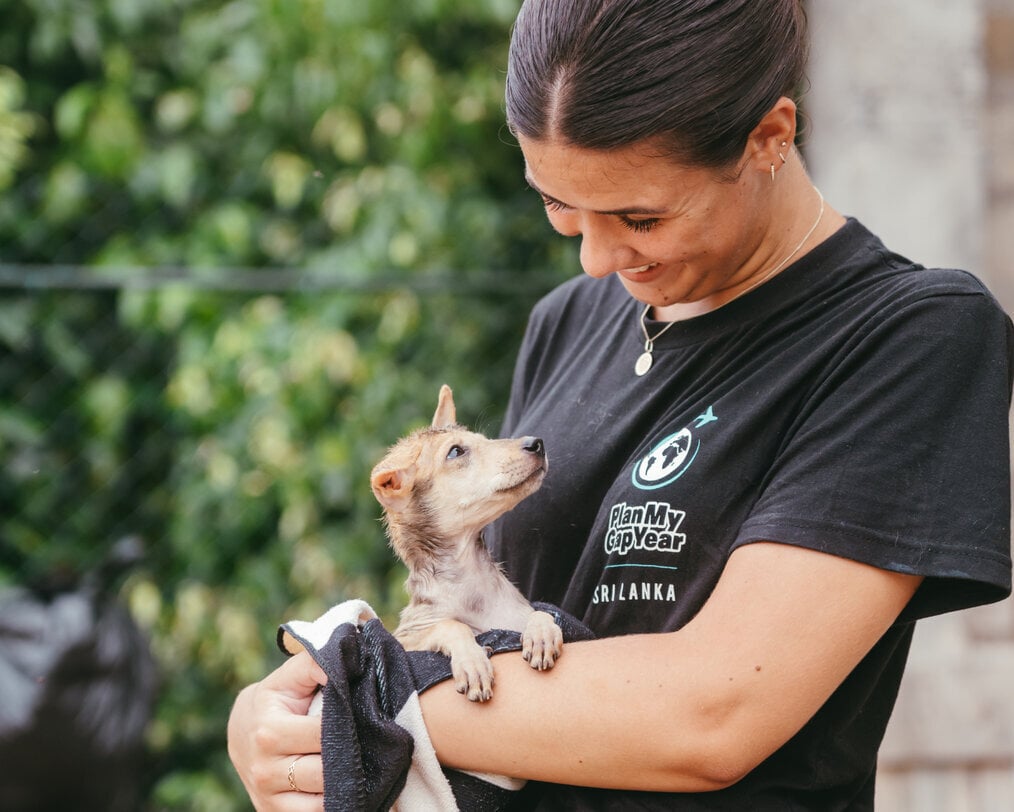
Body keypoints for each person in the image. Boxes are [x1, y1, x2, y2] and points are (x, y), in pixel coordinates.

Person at [227, 0, 1014, 808]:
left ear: (771, 138)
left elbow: (713, 715)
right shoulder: (565, 321)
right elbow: (490, 628)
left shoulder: (906, 336)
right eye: (558, 204)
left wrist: (361, 712)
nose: (596, 259)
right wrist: (280, 720)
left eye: (641, 217)